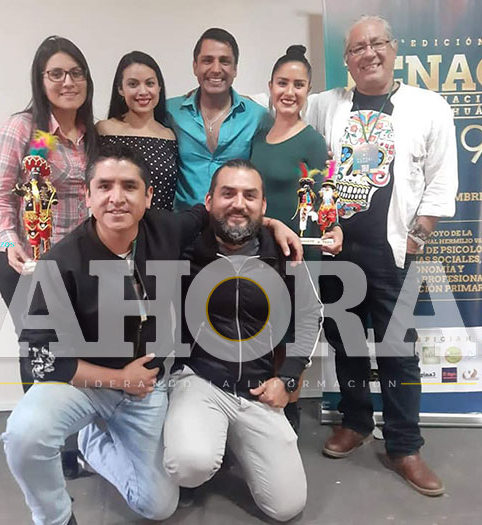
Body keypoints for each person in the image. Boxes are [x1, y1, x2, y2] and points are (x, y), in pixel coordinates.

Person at [0, 144, 304, 525]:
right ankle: (55, 517)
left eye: (129, 186)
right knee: (24, 434)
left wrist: (273, 224)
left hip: (146, 389)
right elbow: (42, 359)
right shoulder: (60, 262)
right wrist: (118, 379)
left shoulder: (167, 230)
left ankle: (93, 444)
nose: (117, 197)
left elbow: (223, 212)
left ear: (148, 197)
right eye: (105, 186)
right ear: (87, 196)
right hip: (82, 383)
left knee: (159, 505)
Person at [305, 15, 458, 496]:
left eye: (377, 44)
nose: (368, 53)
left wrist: (418, 237)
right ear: (346, 59)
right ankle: (355, 422)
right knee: (345, 343)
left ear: (393, 49)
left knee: (398, 350)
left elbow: (441, 178)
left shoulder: (428, 107)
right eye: (357, 48)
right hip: (336, 252)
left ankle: (404, 445)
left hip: (393, 252)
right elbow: (286, 119)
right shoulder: (326, 105)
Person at [163, 159, 322, 522]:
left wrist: (288, 378)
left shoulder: (282, 253)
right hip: (200, 380)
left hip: (258, 389)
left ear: (263, 205)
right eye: (228, 194)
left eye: (250, 196)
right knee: (189, 465)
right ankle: (203, 439)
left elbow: (310, 314)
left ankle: (231, 440)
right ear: (209, 201)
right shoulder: (183, 248)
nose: (238, 203)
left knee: (286, 506)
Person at [0, 34, 97, 478]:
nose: (67, 82)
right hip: (27, 261)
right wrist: (9, 240)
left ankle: (77, 443)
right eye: (56, 74)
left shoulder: (92, 133)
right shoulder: (23, 128)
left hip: (77, 263)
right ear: (40, 79)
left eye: (76, 73)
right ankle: (44, 450)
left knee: (79, 347)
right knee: (40, 352)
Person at [250, 45, 329, 432]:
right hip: (259, 249)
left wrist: (332, 230)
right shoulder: (258, 136)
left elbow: (324, 199)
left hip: (298, 252)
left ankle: (289, 417)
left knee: (294, 335)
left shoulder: (312, 142)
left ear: (308, 91)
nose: (289, 91)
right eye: (283, 83)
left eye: (298, 85)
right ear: (270, 86)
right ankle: (259, 416)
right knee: (265, 332)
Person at [167, 27, 272, 210]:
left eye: (224, 61)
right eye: (207, 60)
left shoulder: (258, 117)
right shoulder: (170, 111)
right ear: (195, 66)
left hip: (234, 219)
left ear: (235, 69)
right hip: (183, 222)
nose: (216, 69)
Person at [97, 51, 179, 210]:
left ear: (159, 87)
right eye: (133, 84)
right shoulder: (104, 130)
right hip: (117, 222)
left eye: (150, 83)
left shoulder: (169, 135)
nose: (143, 92)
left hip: (163, 224)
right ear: (120, 89)